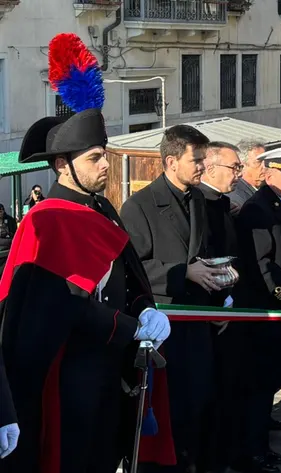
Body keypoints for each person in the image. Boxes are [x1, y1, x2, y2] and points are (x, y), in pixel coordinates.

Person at [1, 99, 172, 472]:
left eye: (105, 155)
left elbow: (128, 275)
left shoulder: (102, 209)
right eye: (95, 157)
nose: (106, 165)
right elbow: (57, 304)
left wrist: (144, 306)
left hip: (109, 365)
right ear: (63, 165)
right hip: (68, 374)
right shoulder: (45, 220)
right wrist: (129, 326)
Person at [122, 125, 233, 473]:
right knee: (172, 414)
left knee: (200, 405)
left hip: (199, 322)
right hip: (165, 327)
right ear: (171, 161)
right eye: (196, 160)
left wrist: (221, 273)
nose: (202, 166)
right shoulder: (138, 206)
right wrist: (183, 272)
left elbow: (204, 251)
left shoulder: (198, 198)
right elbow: (133, 268)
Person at [234, 146, 281, 473]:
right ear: (268, 173)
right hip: (266, 311)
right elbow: (262, 266)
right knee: (259, 388)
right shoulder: (258, 208)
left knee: (268, 387)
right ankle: (254, 452)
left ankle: (261, 444)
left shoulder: (279, 203)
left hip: (280, 311)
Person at [196, 142, 243, 472]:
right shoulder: (200, 203)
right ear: (210, 168)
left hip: (227, 307)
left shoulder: (223, 203)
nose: (238, 175)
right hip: (208, 314)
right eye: (234, 168)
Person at [230, 139, 266, 216]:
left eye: (265, 161)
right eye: (259, 162)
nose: (264, 166)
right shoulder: (237, 197)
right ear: (242, 166)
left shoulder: (267, 189)